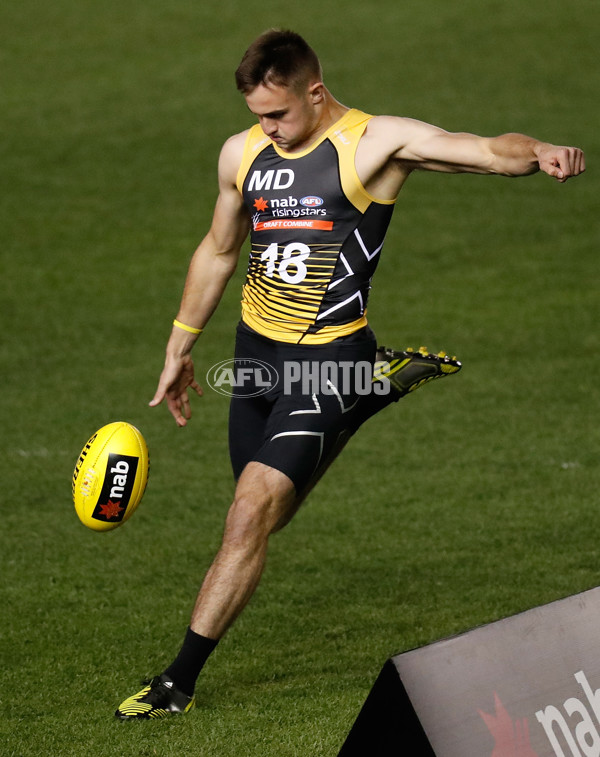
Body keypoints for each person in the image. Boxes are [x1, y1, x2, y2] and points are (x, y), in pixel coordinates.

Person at [115, 29, 585, 719]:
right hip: (256, 361)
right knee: (270, 512)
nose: (266, 128)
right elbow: (218, 249)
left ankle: (176, 681)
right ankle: (374, 390)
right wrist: (180, 344)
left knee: (249, 515)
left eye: (278, 113)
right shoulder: (242, 153)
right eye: (257, 115)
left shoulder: (374, 143)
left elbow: (483, 150)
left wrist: (538, 151)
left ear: (315, 88)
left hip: (327, 358)